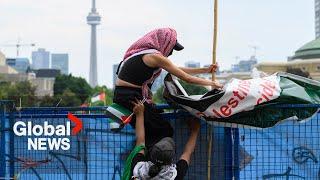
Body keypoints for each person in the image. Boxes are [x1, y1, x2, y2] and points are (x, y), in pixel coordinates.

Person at [113, 28, 221, 149]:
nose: (171, 52)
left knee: (155, 126)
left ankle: (147, 156)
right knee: (162, 130)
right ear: (164, 42)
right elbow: (186, 78)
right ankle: (151, 159)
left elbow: (176, 69)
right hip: (131, 97)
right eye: (172, 48)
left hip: (126, 95)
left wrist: (205, 70)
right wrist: (214, 84)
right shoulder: (154, 57)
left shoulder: (146, 53)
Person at [122, 99, 200, 180]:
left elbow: (140, 143)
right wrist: (195, 130)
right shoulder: (174, 175)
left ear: (151, 153)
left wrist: (140, 114)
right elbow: (187, 153)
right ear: (171, 160)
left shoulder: (139, 169)